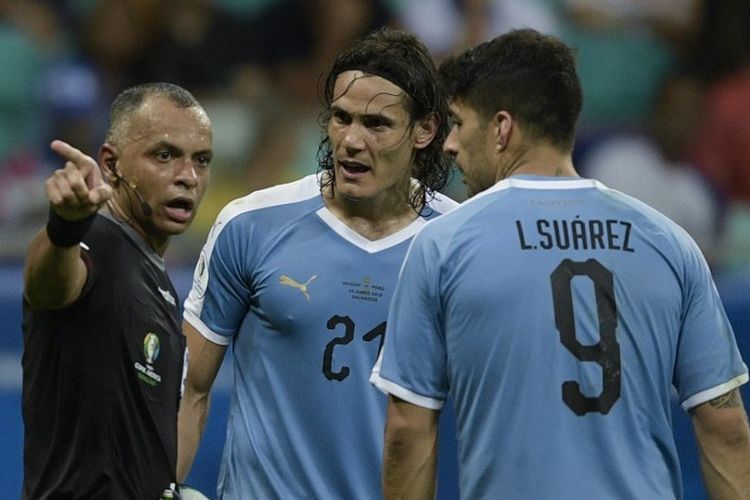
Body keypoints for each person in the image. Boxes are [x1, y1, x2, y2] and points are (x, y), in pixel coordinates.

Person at [370, 29, 750, 499]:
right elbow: (725, 422)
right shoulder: (670, 243)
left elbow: (408, 427)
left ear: (501, 129)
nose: (448, 145)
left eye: (459, 123)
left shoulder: (444, 244)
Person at [177, 28, 457, 498]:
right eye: (341, 118)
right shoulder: (251, 225)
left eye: (376, 124)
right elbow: (190, 389)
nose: (351, 140)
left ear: (425, 130)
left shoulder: (457, 242)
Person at [22, 82, 213, 499]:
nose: (188, 176)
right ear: (111, 165)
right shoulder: (94, 240)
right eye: (165, 155)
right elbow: (47, 287)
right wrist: (65, 226)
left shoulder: (156, 276)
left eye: (201, 160)